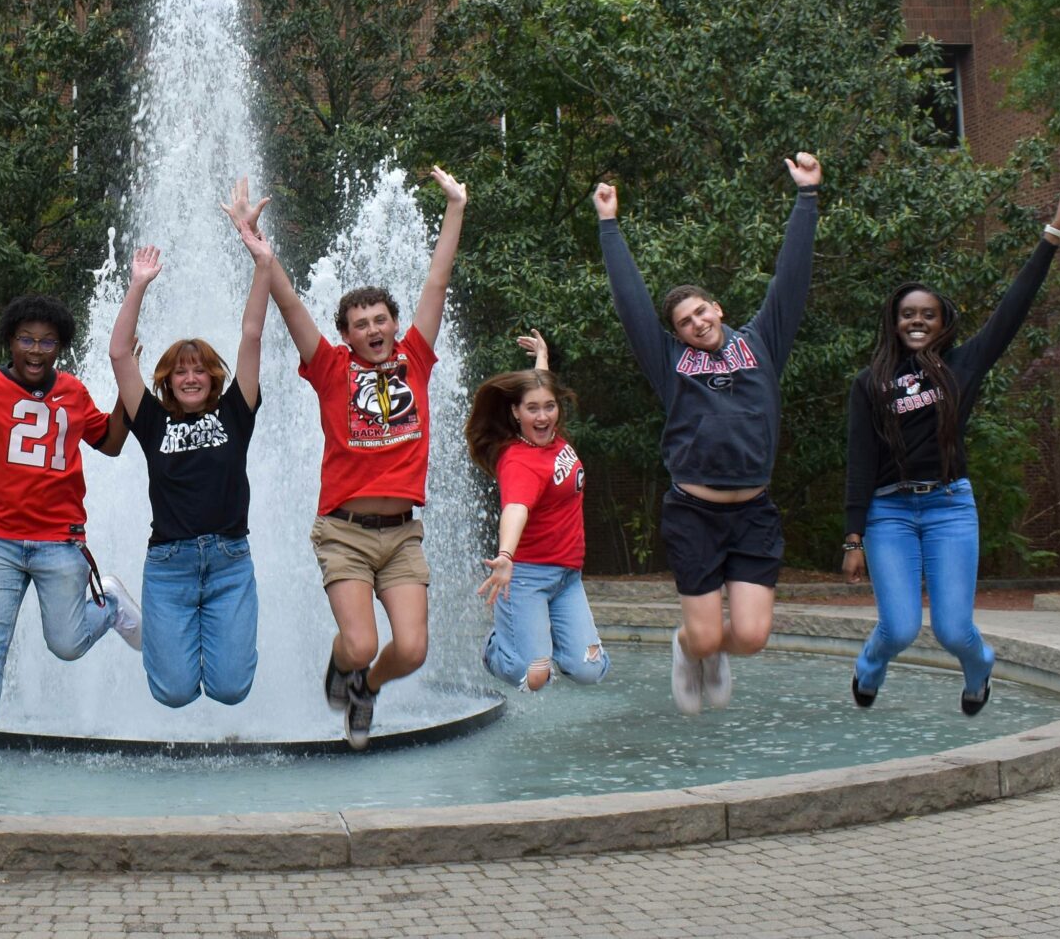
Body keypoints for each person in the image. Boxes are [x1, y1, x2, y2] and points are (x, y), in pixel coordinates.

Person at [595, 153, 823, 715]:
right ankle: (691, 646)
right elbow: (630, 304)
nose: (697, 324)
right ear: (675, 334)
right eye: (684, 323)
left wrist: (807, 197)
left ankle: (715, 651)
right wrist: (608, 224)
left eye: (701, 312)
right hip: (694, 511)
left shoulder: (762, 343)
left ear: (717, 309)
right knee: (703, 635)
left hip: (753, 513)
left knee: (749, 637)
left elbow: (791, 279)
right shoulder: (670, 362)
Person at [844, 189, 1060, 715]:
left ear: (942, 321)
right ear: (895, 320)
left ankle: (979, 673)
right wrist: (852, 536)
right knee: (899, 627)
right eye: (908, 314)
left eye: (928, 314)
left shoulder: (963, 366)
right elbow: (859, 463)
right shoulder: (869, 383)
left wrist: (1053, 235)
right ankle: (870, 665)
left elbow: (1013, 310)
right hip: (890, 511)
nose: (917, 321)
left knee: (954, 630)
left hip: (951, 506)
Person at [0, 268, 139, 806]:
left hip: (60, 541)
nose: (36, 350)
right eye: (25, 339)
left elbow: (109, 443)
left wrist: (129, 379)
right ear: (10, 342)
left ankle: (107, 602)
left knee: (65, 645)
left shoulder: (72, 391)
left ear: (59, 347)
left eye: (47, 341)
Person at [263, 167, 467, 750]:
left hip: (402, 535)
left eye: (381, 320)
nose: (373, 329)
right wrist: (262, 252)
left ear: (395, 326)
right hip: (345, 532)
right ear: (346, 335)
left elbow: (437, 282)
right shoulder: (330, 369)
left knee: (410, 650)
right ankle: (344, 668)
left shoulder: (417, 360)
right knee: (358, 643)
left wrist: (455, 206)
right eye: (360, 324)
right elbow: (289, 304)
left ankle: (366, 689)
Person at [106, 182, 272, 709]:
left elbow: (251, 334)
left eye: (200, 369)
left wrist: (261, 262)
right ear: (168, 381)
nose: (192, 376)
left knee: (230, 688)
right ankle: (126, 612)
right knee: (174, 692)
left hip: (228, 561)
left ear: (214, 377)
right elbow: (118, 356)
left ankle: (195, 640)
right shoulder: (152, 421)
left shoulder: (236, 412)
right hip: (170, 565)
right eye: (181, 371)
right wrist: (139, 285)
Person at [468, 331, 607, 692]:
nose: (544, 416)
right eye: (532, 409)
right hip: (526, 576)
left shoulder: (549, 434)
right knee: (532, 678)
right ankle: (496, 650)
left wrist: (541, 360)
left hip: (567, 576)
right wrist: (505, 555)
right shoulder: (519, 461)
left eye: (550, 406)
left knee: (590, 670)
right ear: (516, 413)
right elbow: (516, 508)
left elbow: (540, 393)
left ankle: (546, 641)